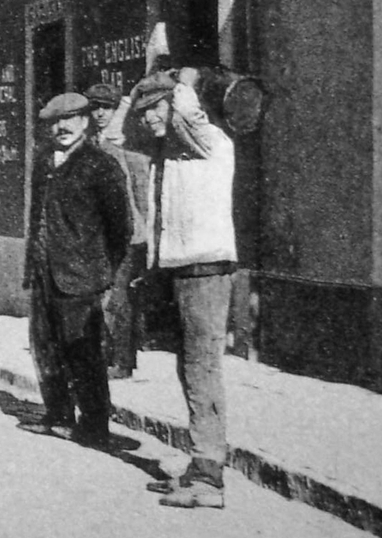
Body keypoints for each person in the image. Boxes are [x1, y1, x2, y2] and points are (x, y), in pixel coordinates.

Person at [125, 68, 237, 510]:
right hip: (179, 270)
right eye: (144, 111)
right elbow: (118, 133)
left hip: (206, 268)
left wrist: (178, 76)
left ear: (177, 104)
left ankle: (209, 478)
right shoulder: (170, 154)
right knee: (190, 368)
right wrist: (140, 98)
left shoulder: (211, 141)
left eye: (155, 108)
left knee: (203, 367)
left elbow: (187, 107)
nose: (149, 118)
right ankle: (199, 463)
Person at [25, 92, 132, 448]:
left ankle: (94, 424)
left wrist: (102, 272)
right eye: (56, 122)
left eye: (70, 120)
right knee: (45, 346)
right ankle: (57, 414)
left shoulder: (100, 165)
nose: (62, 127)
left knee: (84, 352)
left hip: (81, 276)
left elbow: (121, 228)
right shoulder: (44, 162)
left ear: (86, 122)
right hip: (44, 272)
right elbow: (37, 217)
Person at [85, 82, 152, 379]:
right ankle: (108, 354)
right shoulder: (92, 143)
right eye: (95, 108)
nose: (100, 113)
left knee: (118, 297)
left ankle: (122, 361)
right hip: (100, 234)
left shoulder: (127, 146)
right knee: (105, 295)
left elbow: (141, 191)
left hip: (127, 233)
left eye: (107, 108)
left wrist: (145, 234)